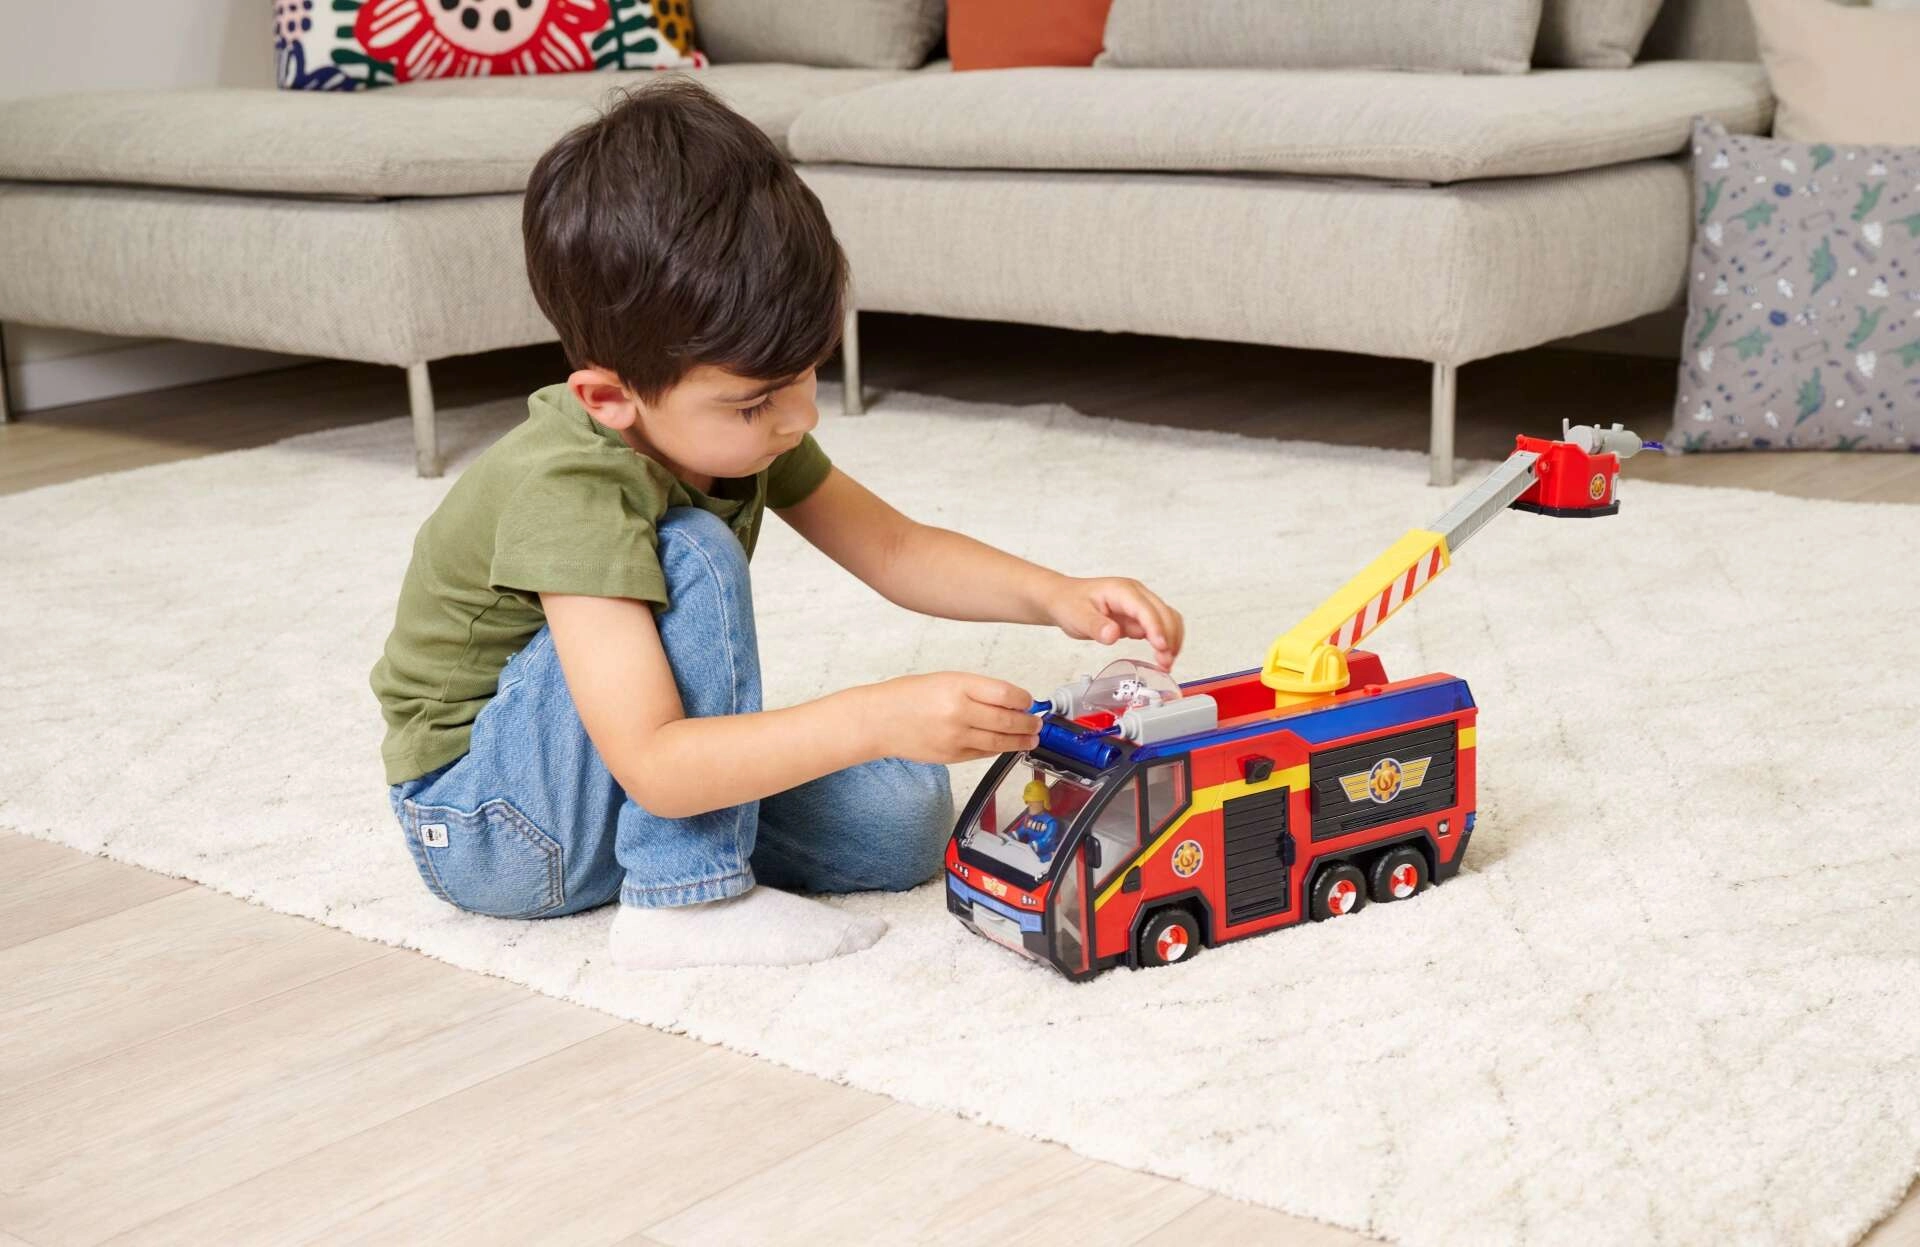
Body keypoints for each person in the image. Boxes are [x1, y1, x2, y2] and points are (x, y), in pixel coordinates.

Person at [370, 79, 1184, 971]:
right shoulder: (568, 485)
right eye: (758, 400)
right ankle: (685, 900)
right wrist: (874, 716)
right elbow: (653, 760)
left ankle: (666, 859)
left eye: (806, 374)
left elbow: (895, 547)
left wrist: (1056, 595)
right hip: (489, 824)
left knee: (903, 820)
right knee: (695, 551)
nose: (800, 417)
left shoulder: (733, 436)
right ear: (608, 399)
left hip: (606, 791)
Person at [1009, 780, 1064, 862]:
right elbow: (1022, 830)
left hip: (1046, 855)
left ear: (1044, 802)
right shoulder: (1029, 818)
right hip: (1030, 852)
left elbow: (1046, 840)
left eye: (1033, 801)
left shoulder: (1051, 823)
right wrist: (1011, 837)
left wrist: (1031, 846)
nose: (1029, 804)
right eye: (1028, 801)